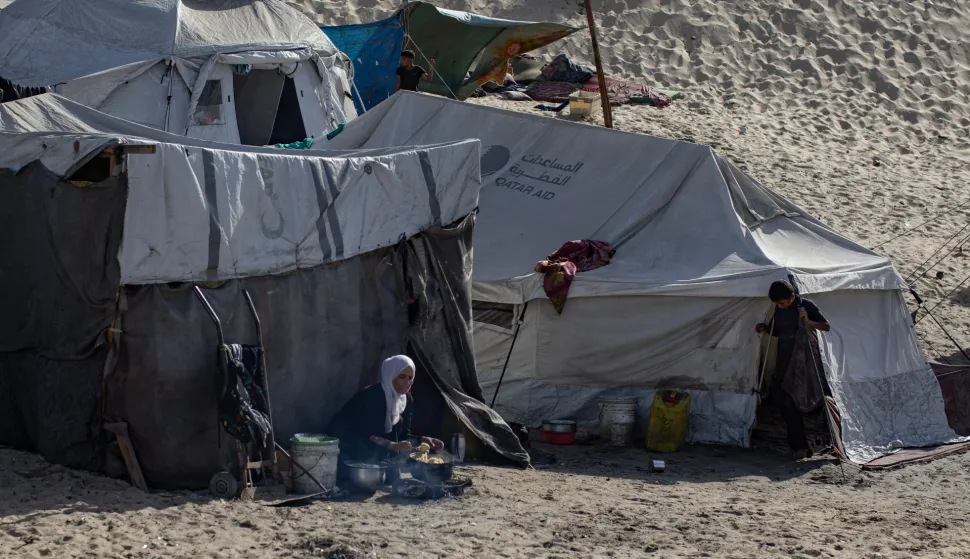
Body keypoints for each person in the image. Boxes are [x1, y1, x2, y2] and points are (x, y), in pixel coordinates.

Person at [326, 355, 444, 480]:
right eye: (402, 377)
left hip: (377, 453)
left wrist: (423, 440)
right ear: (390, 376)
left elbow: (403, 435)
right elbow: (363, 433)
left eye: (411, 378)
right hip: (349, 448)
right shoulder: (372, 397)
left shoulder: (406, 400)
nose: (408, 382)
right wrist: (391, 445)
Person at [755, 280, 830, 459]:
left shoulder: (805, 306)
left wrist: (808, 321)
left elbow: (826, 326)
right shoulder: (780, 311)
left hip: (804, 361)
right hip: (784, 361)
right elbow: (779, 332)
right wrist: (765, 329)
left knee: (809, 398)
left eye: (783, 302)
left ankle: (819, 443)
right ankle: (799, 445)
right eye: (778, 304)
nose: (781, 306)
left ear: (792, 297)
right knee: (785, 401)